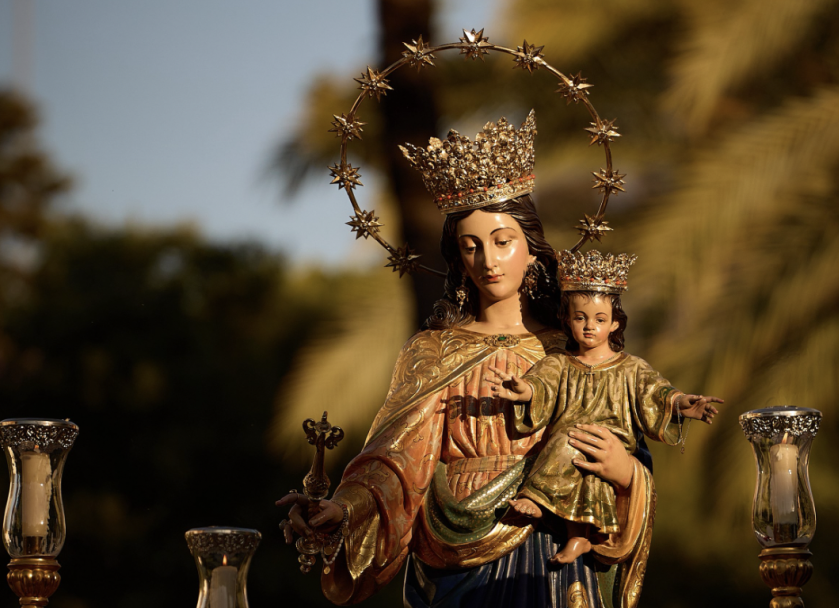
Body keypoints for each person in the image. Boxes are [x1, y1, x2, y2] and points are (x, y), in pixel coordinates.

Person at [276, 112, 661, 608]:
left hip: (551, 548)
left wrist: (626, 472)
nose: (488, 260)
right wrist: (345, 509)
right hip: (452, 559)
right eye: (471, 246)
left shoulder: (571, 351)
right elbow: (394, 463)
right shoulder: (434, 351)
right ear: (457, 258)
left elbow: (626, 440)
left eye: (503, 242)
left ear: (532, 249)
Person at [486, 249, 723, 566]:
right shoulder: (559, 363)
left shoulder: (632, 368)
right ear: (568, 321)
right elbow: (541, 385)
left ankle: (535, 498)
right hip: (572, 439)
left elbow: (656, 393)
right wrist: (522, 390)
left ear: (614, 324)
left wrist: (682, 404)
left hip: (608, 441)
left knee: (573, 446)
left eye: (599, 319)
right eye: (580, 318)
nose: (588, 327)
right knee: (579, 460)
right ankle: (579, 537)